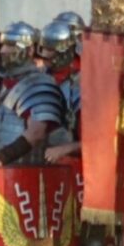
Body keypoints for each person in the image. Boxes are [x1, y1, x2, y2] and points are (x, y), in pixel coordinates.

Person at [0, 22, 65, 182]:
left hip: (25, 174)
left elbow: (36, 133)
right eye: (3, 45)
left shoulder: (40, 83)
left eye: (11, 46)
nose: (3, 51)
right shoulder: (1, 84)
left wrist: (1, 158)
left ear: (29, 50)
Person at [39, 12, 85, 164]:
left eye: (50, 49)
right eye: (44, 48)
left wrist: (66, 148)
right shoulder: (40, 77)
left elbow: (96, 141)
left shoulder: (82, 82)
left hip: (70, 165)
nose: (44, 55)